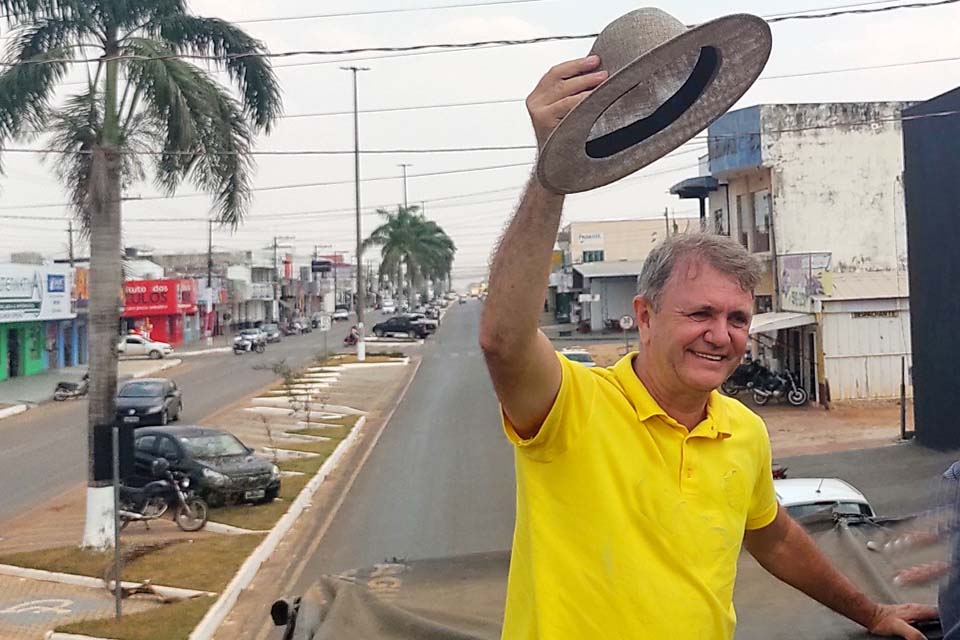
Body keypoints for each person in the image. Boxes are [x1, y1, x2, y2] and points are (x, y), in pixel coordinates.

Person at [478, 55, 937, 640]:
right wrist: (551, 170)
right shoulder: (572, 405)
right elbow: (503, 338)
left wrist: (872, 613)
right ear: (644, 316)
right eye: (699, 313)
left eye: (738, 318)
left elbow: (773, 536)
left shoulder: (743, 431)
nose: (721, 335)